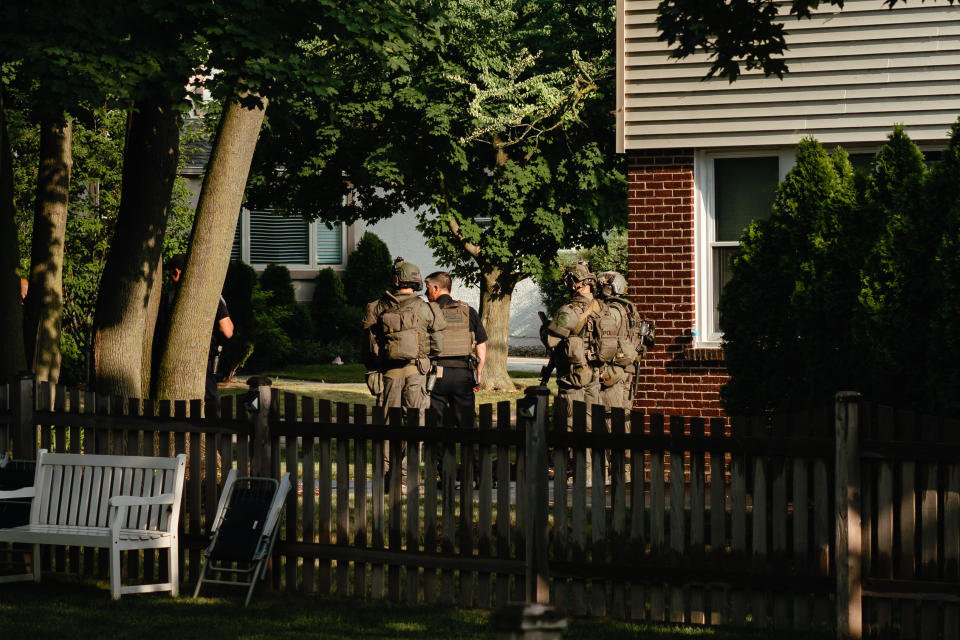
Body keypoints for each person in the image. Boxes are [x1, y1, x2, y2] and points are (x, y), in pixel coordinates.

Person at [363, 257, 445, 484]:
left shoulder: (377, 307)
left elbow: (368, 347)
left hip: (388, 375)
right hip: (417, 374)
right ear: (416, 281)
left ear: (396, 279)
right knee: (415, 424)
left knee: (387, 424)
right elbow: (438, 346)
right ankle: (408, 475)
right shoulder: (427, 309)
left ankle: (386, 475)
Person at [164, 253, 234, 417]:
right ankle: (212, 433)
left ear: (176, 272)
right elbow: (227, 330)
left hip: (170, 356)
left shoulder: (167, 297)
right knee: (210, 397)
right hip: (203, 357)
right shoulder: (209, 297)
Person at [542, 261, 605, 428]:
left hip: (572, 379)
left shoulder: (570, 310)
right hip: (595, 376)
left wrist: (544, 328)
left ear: (577, 283)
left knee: (570, 426)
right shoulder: (603, 308)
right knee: (592, 426)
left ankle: (572, 455)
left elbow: (550, 340)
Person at [424, 271, 488, 417]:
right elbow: (481, 345)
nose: (426, 292)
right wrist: (479, 371)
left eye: (427, 288)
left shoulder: (428, 312)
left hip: (436, 373)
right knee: (466, 423)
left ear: (436, 288)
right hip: (463, 375)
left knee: (435, 422)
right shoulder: (468, 311)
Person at [594, 271, 654, 414]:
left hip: (613, 371)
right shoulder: (628, 310)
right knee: (624, 413)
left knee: (610, 415)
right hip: (627, 369)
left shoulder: (611, 311)